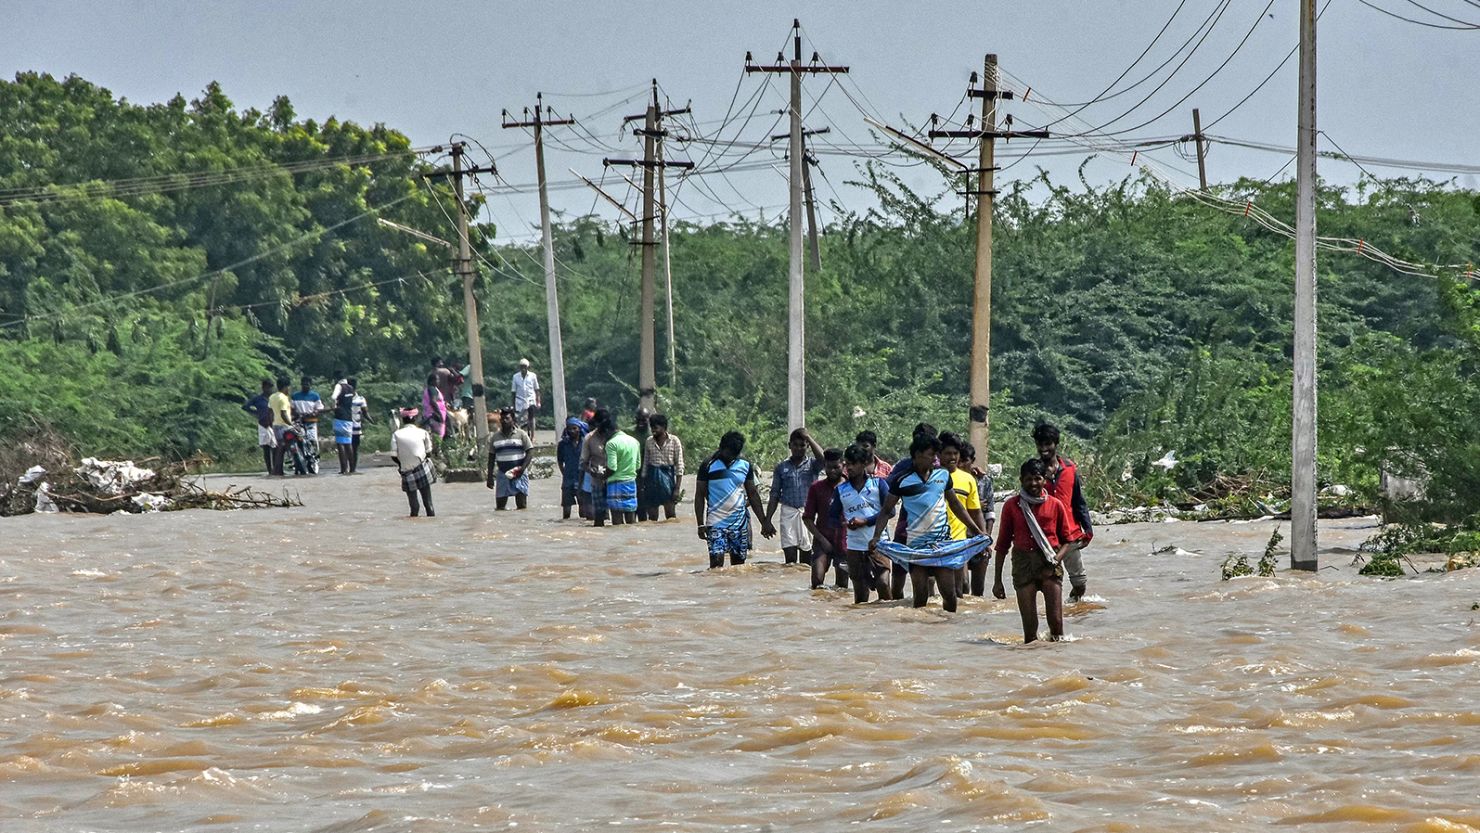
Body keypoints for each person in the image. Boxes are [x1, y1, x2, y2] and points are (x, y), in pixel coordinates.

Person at [870, 434, 987, 613]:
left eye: (936, 455)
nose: (935, 459)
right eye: (931, 455)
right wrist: (876, 537)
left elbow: (956, 505)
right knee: (920, 597)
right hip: (916, 547)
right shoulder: (902, 481)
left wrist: (978, 531)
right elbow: (886, 511)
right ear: (917, 455)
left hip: (943, 545)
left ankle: (948, 630)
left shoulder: (943, 476)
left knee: (950, 595)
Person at [994, 457, 1081, 642]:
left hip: (1050, 564)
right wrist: (997, 581)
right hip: (1023, 564)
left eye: (1037, 478)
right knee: (1030, 629)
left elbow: (1068, 541)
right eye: (1028, 479)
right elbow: (1002, 545)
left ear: (1044, 480)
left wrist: (1056, 560)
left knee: (1056, 623)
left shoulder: (1055, 505)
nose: (1033, 483)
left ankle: (1055, 662)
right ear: (1021, 480)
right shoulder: (1012, 506)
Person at [694, 431, 775, 568]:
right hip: (716, 523)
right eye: (728, 453)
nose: (731, 457)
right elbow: (699, 495)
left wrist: (764, 522)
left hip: (739, 524)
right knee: (716, 565)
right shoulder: (708, 465)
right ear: (721, 447)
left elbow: (753, 494)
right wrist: (700, 524)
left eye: (734, 454)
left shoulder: (745, 465)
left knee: (738, 568)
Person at [1034, 422, 1095, 602]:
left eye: (1048, 444)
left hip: (1071, 534)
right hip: (1044, 537)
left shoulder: (1069, 468)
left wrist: (1088, 529)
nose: (1044, 448)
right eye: (1040, 444)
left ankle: (1071, 608)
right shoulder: (1034, 471)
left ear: (1055, 443)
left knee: (1080, 583)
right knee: (1049, 582)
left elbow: (1078, 501)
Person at [835, 444, 892, 603]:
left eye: (853, 464)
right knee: (860, 595)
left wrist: (866, 521)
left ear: (864, 464)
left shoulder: (879, 484)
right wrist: (845, 523)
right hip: (854, 546)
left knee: (883, 584)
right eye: (847, 464)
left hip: (879, 543)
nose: (849, 468)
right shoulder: (841, 490)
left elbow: (890, 512)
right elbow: (833, 516)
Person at [764, 427, 825, 565]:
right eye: (795, 445)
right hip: (788, 512)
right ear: (789, 446)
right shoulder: (781, 468)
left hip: (808, 512)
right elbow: (774, 494)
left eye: (802, 445)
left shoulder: (813, 465)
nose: (798, 448)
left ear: (807, 446)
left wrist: (808, 437)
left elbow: (824, 459)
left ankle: (803, 585)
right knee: (790, 558)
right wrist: (767, 520)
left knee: (806, 559)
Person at [939, 432, 989, 596]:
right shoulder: (931, 477)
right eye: (948, 453)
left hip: (959, 542)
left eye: (955, 453)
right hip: (935, 542)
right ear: (939, 454)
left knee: (961, 589)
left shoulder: (968, 480)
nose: (952, 457)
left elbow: (976, 512)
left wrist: (983, 538)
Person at [802, 448, 849, 590]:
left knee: (842, 587)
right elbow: (808, 518)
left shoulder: (851, 486)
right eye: (829, 467)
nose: (832, 471)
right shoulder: (816, 488)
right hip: (822, 540)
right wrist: (822, 540)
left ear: (844, 465)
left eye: (836, 467)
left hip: (845, 542)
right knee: (817, 581)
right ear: (824, 466)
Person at [391, 408, 437, 518]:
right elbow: (429, 452)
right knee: (428, 504)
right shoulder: (423, 432)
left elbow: (393, 456)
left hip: (406, 471)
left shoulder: (396, 434)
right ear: (416, 419)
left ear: (403, 419)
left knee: (414, 506)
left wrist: (402, 465)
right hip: (422, 469)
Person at [486, 407, 534, 510]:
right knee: (500, 508)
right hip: (503, 474)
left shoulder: (521, 434)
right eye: (502, 419)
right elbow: (491, 458)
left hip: (519, 473)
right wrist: (489, 476)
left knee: (521, 506)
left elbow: (530, 452)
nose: (504, 421)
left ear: (513, 419)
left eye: (507, 418)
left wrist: (522, 468)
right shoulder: (495, 437)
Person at [641, 413, 684, 520]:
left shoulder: (674, 441)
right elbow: (645, 464)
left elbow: (679, 465)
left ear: (664, 427)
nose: (653, 430)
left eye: (655, 427)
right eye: (651, 427)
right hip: (652, 479)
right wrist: (642, 485)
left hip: (668, 478)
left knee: (670, 516)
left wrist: (677, 489)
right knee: (652, 517)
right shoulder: (649, 441)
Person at [604, 418, 641, 525]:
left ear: (607, 430)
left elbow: (612, 468)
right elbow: (638, 465)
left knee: (617, 520)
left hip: (615, 483)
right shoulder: (634, 441)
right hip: (631, 483)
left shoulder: (611, 444)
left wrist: (603, 476)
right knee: (631, 518)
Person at [581, 409, 612, 527]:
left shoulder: (615, 436)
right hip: (597, 480)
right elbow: (583, 462)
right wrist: (591, 471)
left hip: (614, 480)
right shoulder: (589, 438)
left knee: (617, 517)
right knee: (598, 516)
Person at [557, 417, 590, 520]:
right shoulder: (563, 444)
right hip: (568, 479)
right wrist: (564, 472)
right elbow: (560, 460)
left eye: (574, 428)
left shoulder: (585, 443)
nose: (572, 431)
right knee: (566, 511)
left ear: (579, 429)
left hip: (582, 478)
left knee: (583, 511)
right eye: (569, 429)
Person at [290, 376, 323, 474]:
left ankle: (314, 458)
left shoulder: (315, 396)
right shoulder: (295, 396)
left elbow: (319, 408)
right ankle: (296, 462)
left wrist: (314, 412)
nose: (305, 386)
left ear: (310, 385)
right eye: (304, 384)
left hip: (311, 423)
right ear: (301, 385)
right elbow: (291, 408)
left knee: (312, 441)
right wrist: (296, 413)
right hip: (298, 423)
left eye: (307, 384)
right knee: (297, 442)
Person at [243, 379, 276, 475]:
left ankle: (276, 468)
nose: (269, 389)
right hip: (263, 424)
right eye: (267, 387)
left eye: (270, 387)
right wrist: (256, 413)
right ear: (263, 388)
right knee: (266, 448)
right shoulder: (257, 399)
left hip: (274, 424)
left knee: (275, 447)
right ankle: (270, 469)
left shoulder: (274, 398)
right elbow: (245, 406)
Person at [269, 376, 294, 476]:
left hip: (275, 425)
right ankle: (277, 470)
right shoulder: (283, 398)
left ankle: (278, 470)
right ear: (285, 387)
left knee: (281, 448)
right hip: (284, 426)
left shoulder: (272, 397)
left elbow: (270, 412)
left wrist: (272, 423)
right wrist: (291, 424)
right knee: (282, 449)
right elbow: (284, 414)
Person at [331, 379, 356, 475]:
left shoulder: (339, 386)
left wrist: (334, 406)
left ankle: (343, 468)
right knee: (348, 443)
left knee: (340, 443)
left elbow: (333, 397)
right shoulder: (350, 388)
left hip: (340, 417)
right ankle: (352, 468)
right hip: (349, 418)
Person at [632, 407, 652, 521]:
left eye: (643, 420)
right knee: (633, 502)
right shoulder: (629, 432)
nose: (640, 422)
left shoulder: (652, 434)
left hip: (647, 472)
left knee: (644, 503)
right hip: (632, 471)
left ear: (648, 419)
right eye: (638, 420)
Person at [511, 359, 540, 436]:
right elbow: (513, 391)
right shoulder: (515, 377)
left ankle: (533, 435)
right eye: (521, 367)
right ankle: (520, 435)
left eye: (525, 367)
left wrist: (538, 401)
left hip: (530, 399)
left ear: (527, 367)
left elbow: (536, 389)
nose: (523, 369)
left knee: (531, 418)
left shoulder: (533, 376)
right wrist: (513, 404)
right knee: (518, 419)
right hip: (520, 400)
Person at [348, 377, 370, 473]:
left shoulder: (360, 399)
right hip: (348, 426)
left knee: (353, 448)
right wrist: (371, 421)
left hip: (355, 427)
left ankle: (352, 468)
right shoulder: (359, 399)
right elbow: (366, 414)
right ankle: (351, 468)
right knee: (351, 448)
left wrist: (371, 421)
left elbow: (365, 413)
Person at [422, 374, 448, 452]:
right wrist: (439, 415)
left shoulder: (428, 389)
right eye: (437, 380)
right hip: (435, 416)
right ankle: (437, 454)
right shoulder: (433, 389)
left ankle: (433, 453)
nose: (438, 382)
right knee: (438, 437)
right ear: (432, 381)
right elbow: (433, 401)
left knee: (431, 438)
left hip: (429, 415)